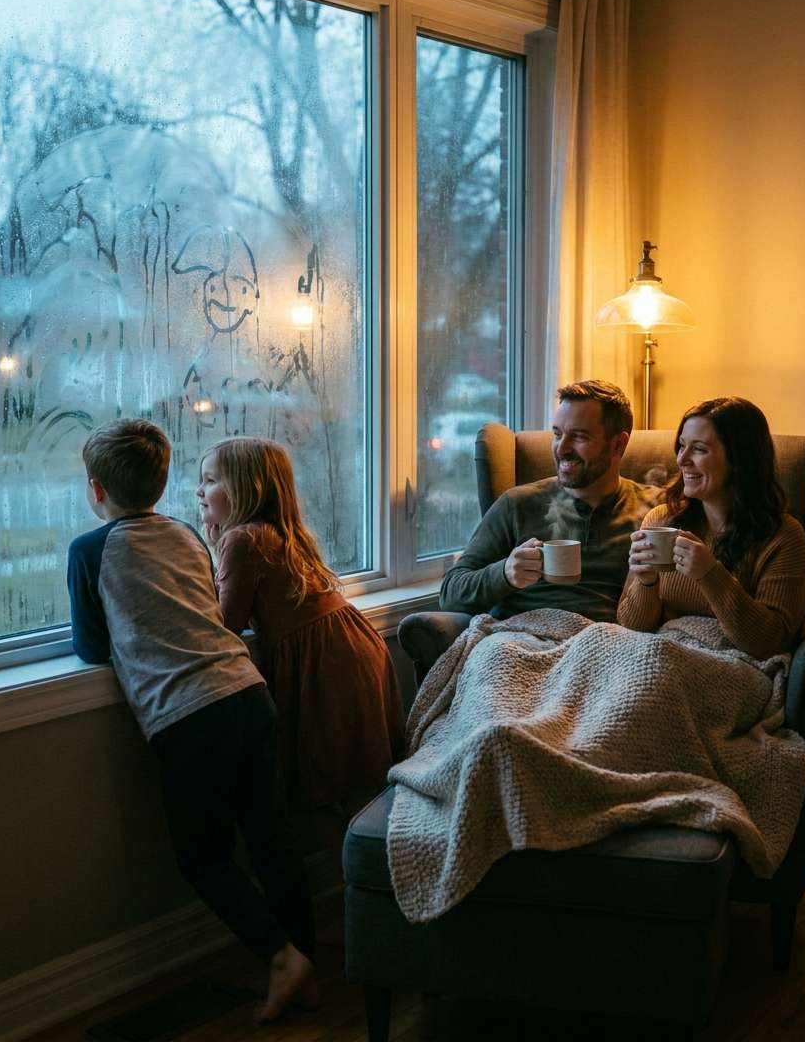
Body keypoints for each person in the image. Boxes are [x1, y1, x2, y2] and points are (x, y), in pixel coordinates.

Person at [67, 419, 316, 1024]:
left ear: (96, 489)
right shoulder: (184, 533)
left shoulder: (90, 550)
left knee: (201, 856)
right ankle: (305, 958)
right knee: (270, 837)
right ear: (163, 480)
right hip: (246, 690)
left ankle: (280, 957)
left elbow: (92, 647)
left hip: (188, 714)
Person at [196, 437, 405, 816]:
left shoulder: (243, 539)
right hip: (350, 645)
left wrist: (215, 553)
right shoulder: (280, 532)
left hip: (326, 662)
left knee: (327, 773)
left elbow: (225, 624)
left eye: (210, 480)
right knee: (359, 774)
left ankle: (344, 867)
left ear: (247, 487)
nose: (200, 490)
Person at [440, 379, 661, 622]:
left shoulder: (654, 512)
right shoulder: (518, 503)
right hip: (522, 637)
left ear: (618, 444)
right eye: (557, 434)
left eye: (578, 437)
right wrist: (505, 573)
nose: (562, 448)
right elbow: (451, 593)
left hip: (607, 643)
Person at [618, 397, 805, 658]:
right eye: (682, 446)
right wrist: (646, 582)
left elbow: (769, 642)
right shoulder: (660, 521)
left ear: (739, 459)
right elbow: (630, 628)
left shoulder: (783, 536)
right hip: (657, 654)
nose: (682, 460)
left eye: (699, 449)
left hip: (729, 665)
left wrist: (710, 574)